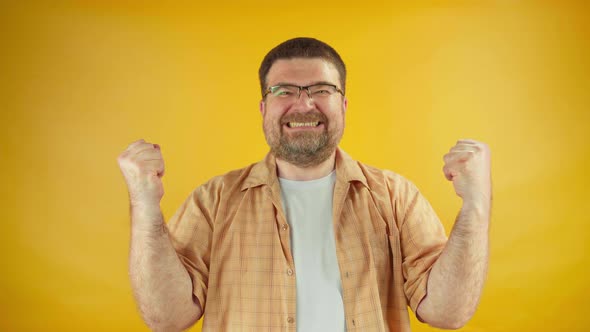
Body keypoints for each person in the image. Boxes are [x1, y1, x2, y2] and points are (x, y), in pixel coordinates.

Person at [117, 37, 491, 332]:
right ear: (264, 108)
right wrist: (145, 205)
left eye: (321, 90)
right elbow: (167, 318)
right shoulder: (213, 202)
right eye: (284, 91)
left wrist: (475, 205)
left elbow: (448, 312)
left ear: (343, 105)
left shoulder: (396, 197)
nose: (304, 105)